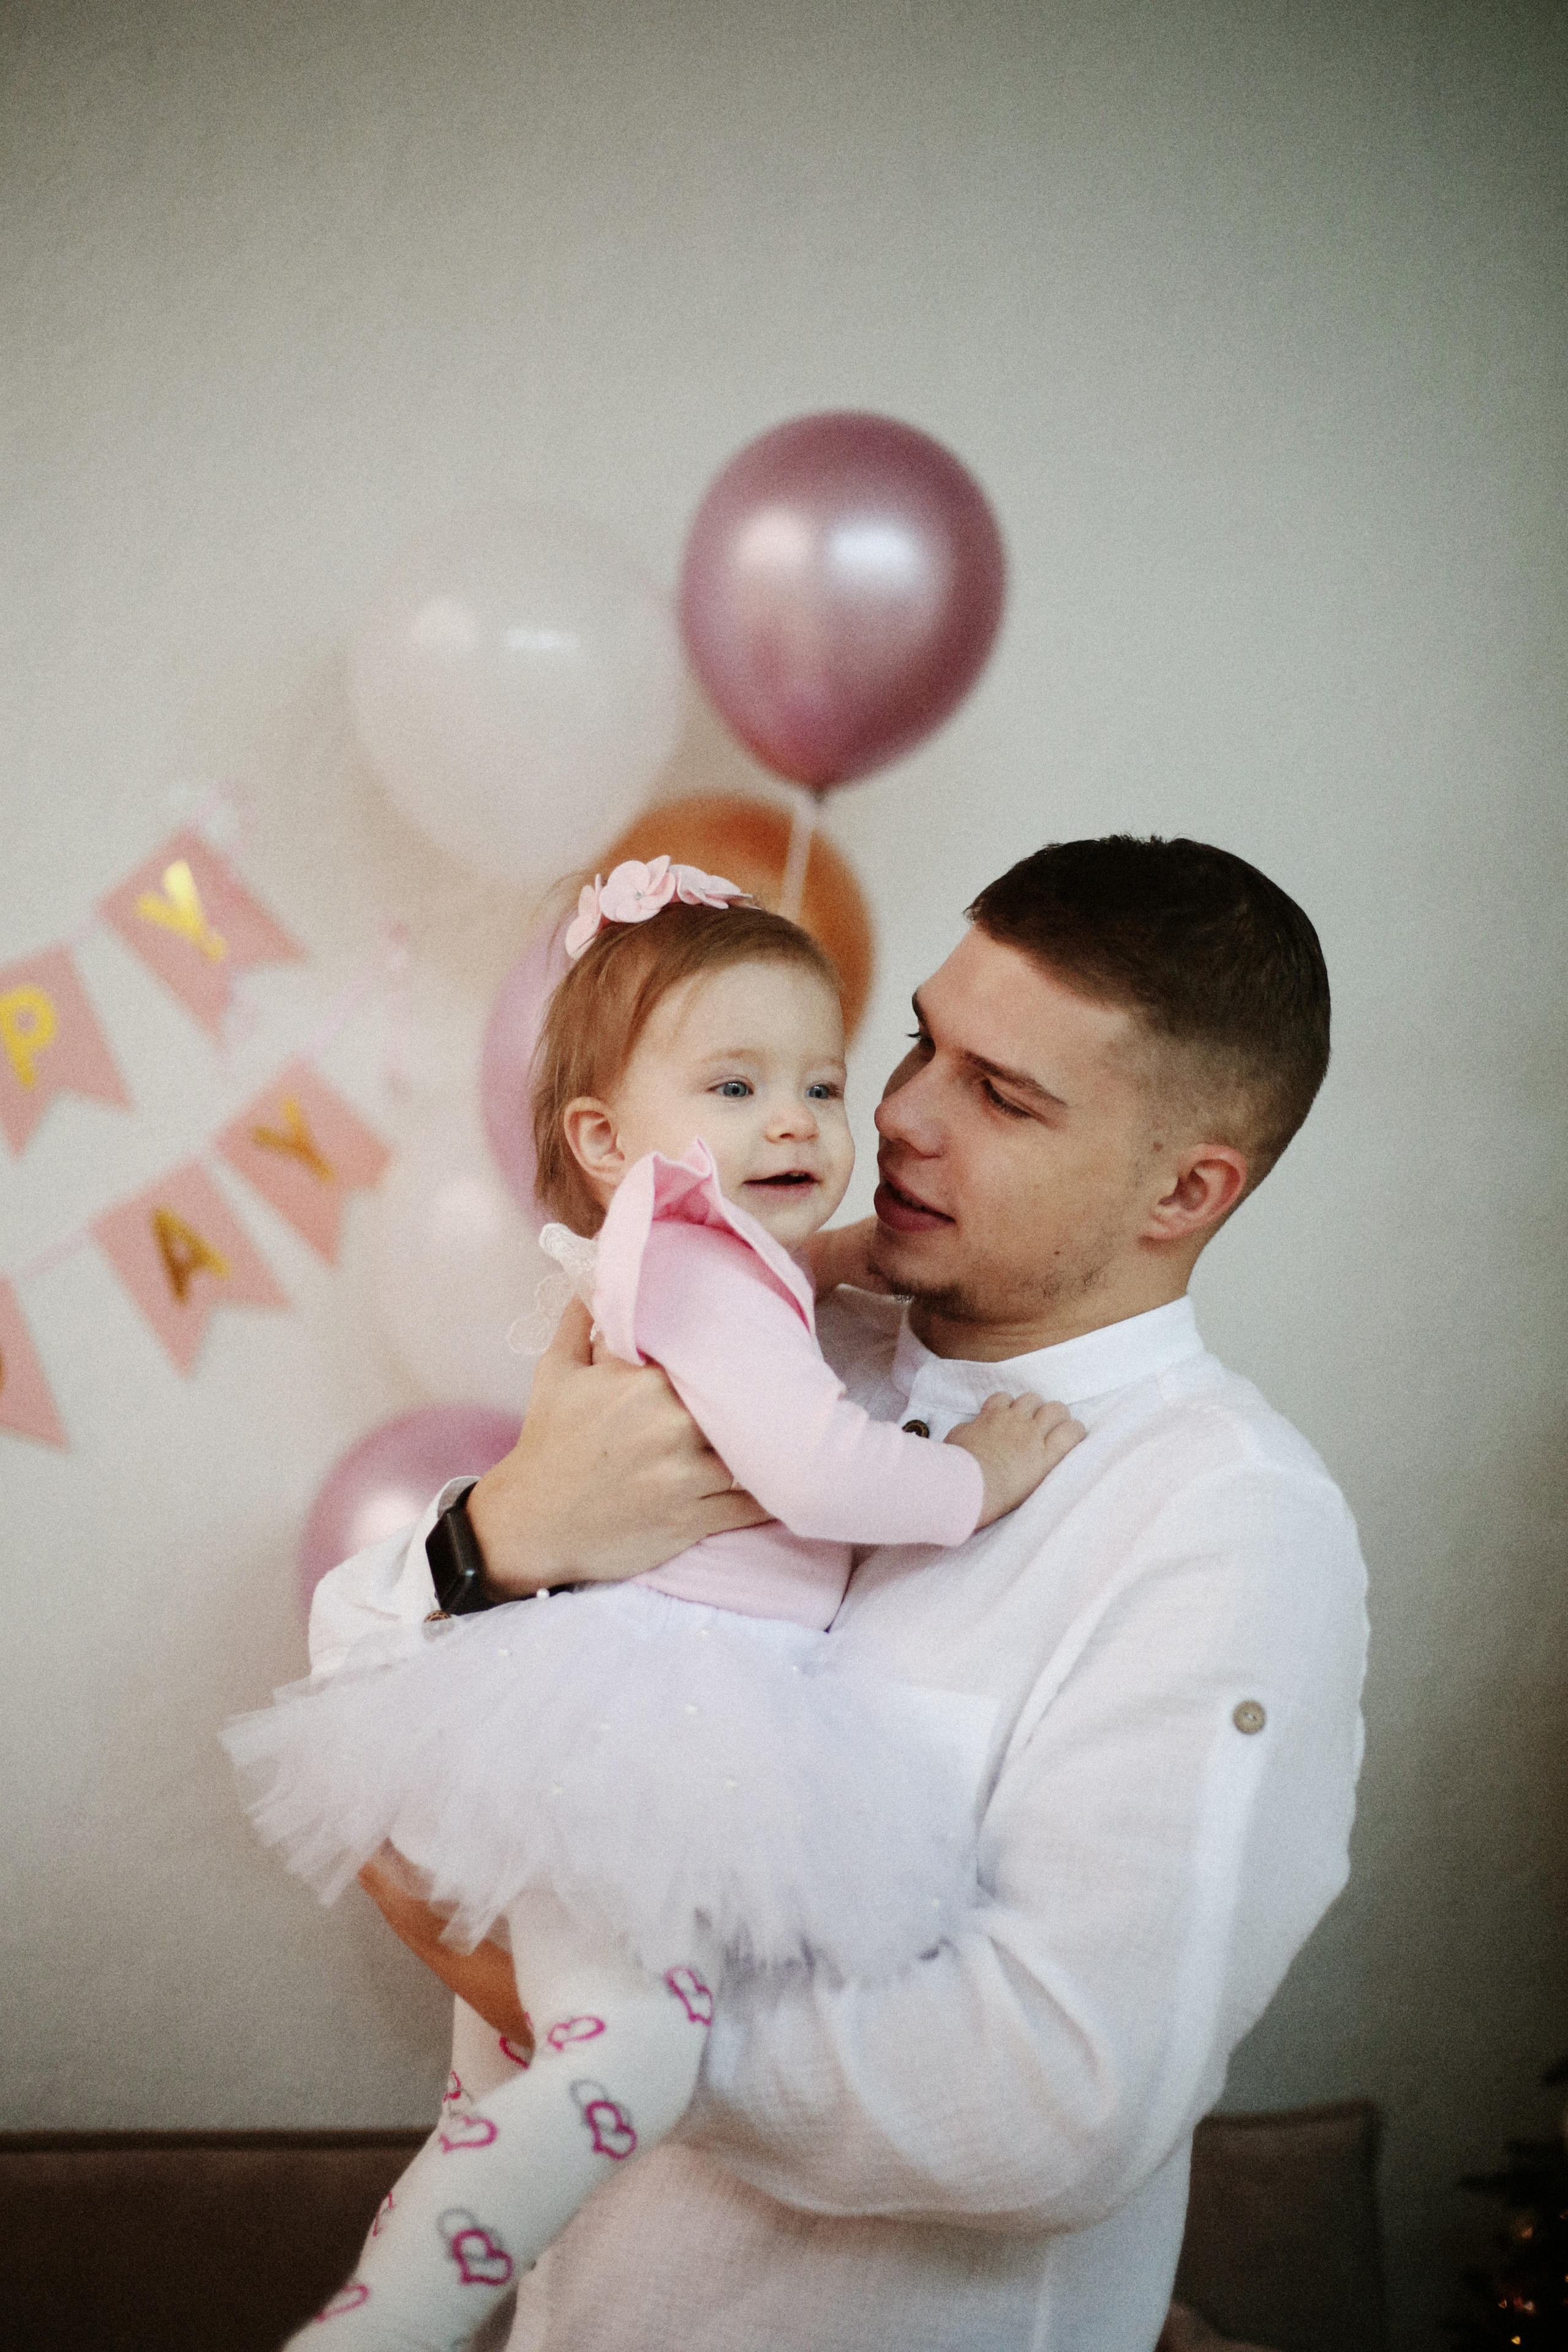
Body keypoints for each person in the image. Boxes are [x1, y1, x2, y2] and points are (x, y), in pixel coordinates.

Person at [317, 835, 1369, 2352]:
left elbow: (1053, 2102)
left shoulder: (1224, 1526)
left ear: (1185, 1188)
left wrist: (583, 2009)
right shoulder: (774, 1319)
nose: (895, 1117)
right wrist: (506, 1534)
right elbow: (348, 1652)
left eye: (1002, 1096)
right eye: (922, 1045)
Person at [227, 861, 1082, 2349]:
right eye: (735, 1085)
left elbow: (764, 1281)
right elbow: (816, 1472)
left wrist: (846, 1253)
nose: (795, 1124)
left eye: (820, 1084)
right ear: (606, 1141)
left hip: (618, 1697)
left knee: (501, 2082)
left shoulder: (699, 1254)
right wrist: (973, 1481)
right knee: (628, 2055)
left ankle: (405, 2316)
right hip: (655, 1705)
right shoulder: (694, 1267)